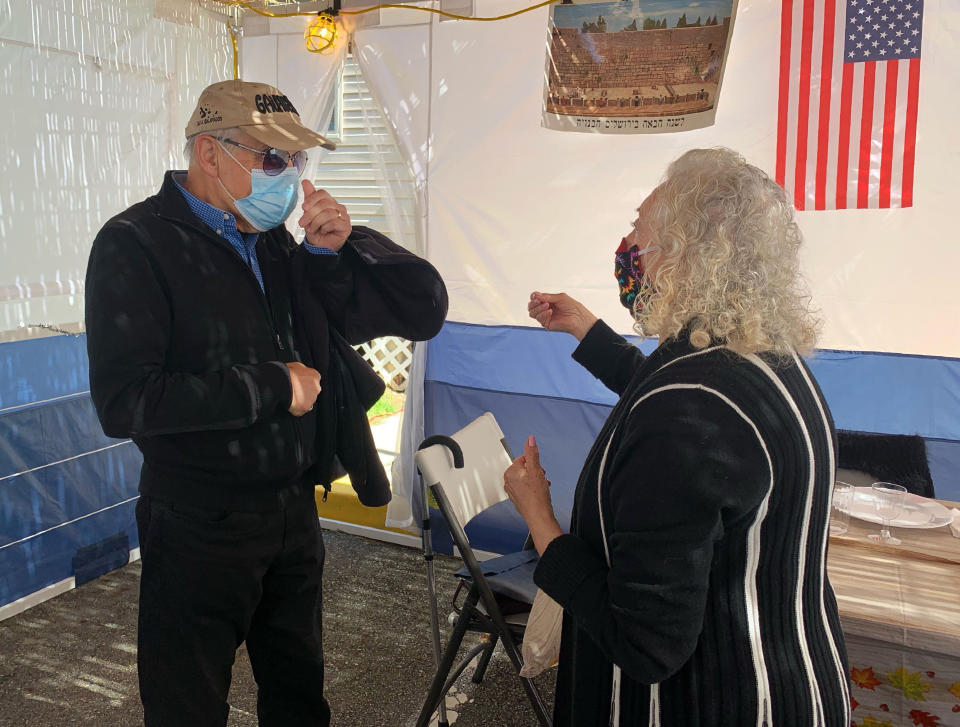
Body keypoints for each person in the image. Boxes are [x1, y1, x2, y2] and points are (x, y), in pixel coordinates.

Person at [84, 80, 447, 726]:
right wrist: (273, 385)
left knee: (300, 699)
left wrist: (342, 247)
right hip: (197, 522)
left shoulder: (281, 246)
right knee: (186, 708)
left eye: (297, 161)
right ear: (209, 155)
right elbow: (127, 401)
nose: (289, 177)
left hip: (290, 514)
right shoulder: (135, 244)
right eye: (272, 159)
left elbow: (423, 307)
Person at [504, 148, 850, 725]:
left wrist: (540, 520)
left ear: (684, 252)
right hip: (789, 681)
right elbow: (669, 396)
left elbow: (644, 643)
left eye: (639, 227)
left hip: (713, 701)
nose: (627, 244)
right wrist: (587, 331)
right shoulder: (764, 358)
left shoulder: (686, 412)